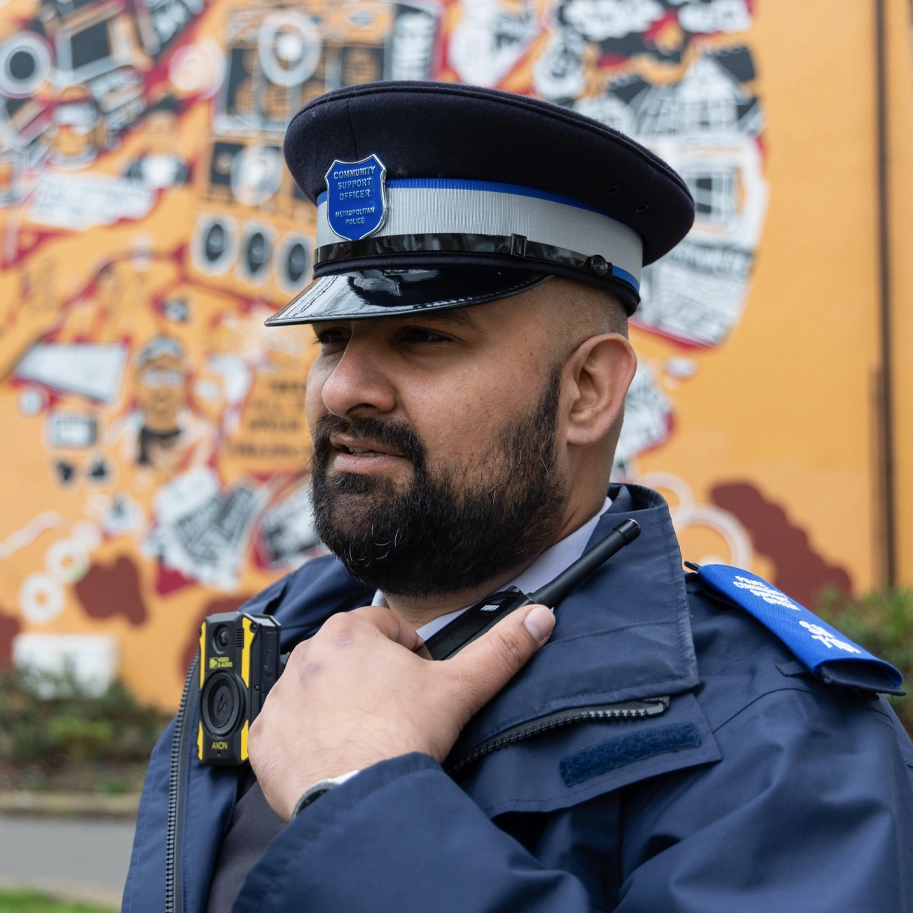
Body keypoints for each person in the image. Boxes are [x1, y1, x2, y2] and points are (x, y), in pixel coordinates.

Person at [124, 82, 913, 913]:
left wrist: (358, 798)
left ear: (586, 390)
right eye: (332, 338)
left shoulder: (780, 741)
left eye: (423, 336)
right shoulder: (271, 644)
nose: (344, 388)